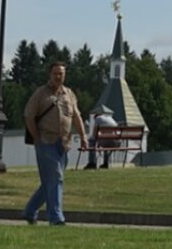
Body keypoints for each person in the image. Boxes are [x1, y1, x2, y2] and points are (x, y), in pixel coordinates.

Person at [22, 63, 87, 226]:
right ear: (50, 75)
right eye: (56, 73)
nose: (59, 76)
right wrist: (37, 137)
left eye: (61, 73)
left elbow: (76, 117)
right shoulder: (41, 94)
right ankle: (56, 218)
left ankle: (30, 211)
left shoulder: (69, 94)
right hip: (46, 142)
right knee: (56, 178)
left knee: (50, 182)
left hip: (63, 143)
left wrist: (83, 137)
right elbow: (28, 115)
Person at [87, 104, 117, 169]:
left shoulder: (98, 119)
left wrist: (94, 138)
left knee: (91, 141)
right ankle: (105, 163)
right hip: (116, 142)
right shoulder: (110, 118)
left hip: (107, 141)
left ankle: (92, 163)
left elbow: (95, 134)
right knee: (105, 143)